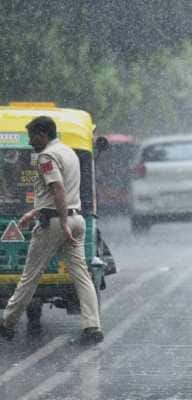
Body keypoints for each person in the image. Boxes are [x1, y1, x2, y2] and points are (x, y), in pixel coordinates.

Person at [0, 116, 103, 345]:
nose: (29, 142)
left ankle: (7, 322)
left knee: (30, 275)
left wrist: (62, 222)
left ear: (43, 134)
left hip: (56, 223)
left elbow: (57, 190)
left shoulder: (47, 156)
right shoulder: (69, 153)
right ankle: (92, 325)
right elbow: (57, 193)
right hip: (76, 219)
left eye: (32, 137)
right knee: (82, 276)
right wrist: (35, 212)